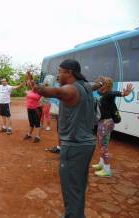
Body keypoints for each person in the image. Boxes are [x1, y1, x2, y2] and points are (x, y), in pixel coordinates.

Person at [34, 59, 98, 218]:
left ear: (69, 73)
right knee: (78, 186)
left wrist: (38, 88)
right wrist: (100, 83)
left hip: (74, 146)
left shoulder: (70, 89)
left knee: (71, 188)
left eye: (60, 71)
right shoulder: (85, 86)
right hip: (86, 144)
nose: (58, 74)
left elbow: (55, 92)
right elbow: (95, 85)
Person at [92, 76, 133, 177]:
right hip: (102, 122)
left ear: (105, 85)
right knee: (101, 144)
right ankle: (101, 164)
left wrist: (124, 93)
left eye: (100, 84)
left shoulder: (109, 93)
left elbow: (115, 93)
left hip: (106, 123)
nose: (97, 85)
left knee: (104, 146)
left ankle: (107, 170)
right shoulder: (102, 94)